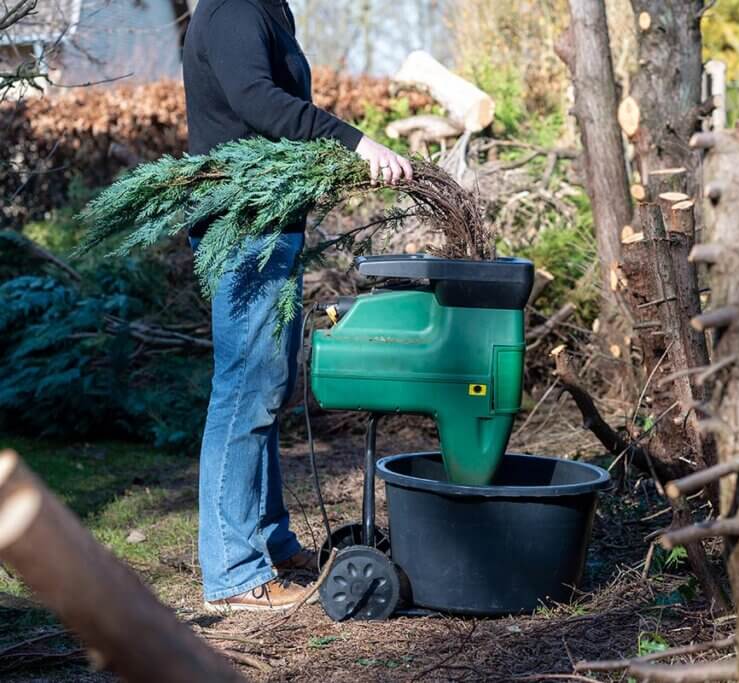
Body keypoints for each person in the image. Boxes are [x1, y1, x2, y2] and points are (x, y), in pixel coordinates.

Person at [182, 0, 412, 612]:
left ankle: (272, 544)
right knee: (244, 391)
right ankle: (233, 575)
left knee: (267, 389)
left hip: (269, 225)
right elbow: (255, 99)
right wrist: (354, 142)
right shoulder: (235, 7)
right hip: (245, 226)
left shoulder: (266, 8)